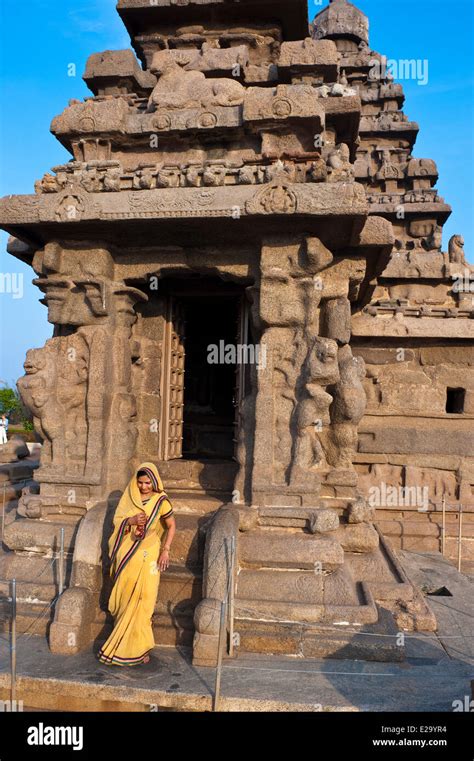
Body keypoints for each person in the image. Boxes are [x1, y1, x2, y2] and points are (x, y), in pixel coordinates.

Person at [98, 462, 176, 666]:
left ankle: (140, 648)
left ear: (155, 481)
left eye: (148, 482)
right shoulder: (129, 498)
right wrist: (130, 521)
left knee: (145, 599)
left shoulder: (161, 501)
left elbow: (171, 526)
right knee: (126, 597)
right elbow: (118, 524)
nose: (144, 487)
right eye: (140, 482)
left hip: (150, 554)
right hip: (128, 553)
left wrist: (165, 550)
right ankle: (121, 645)